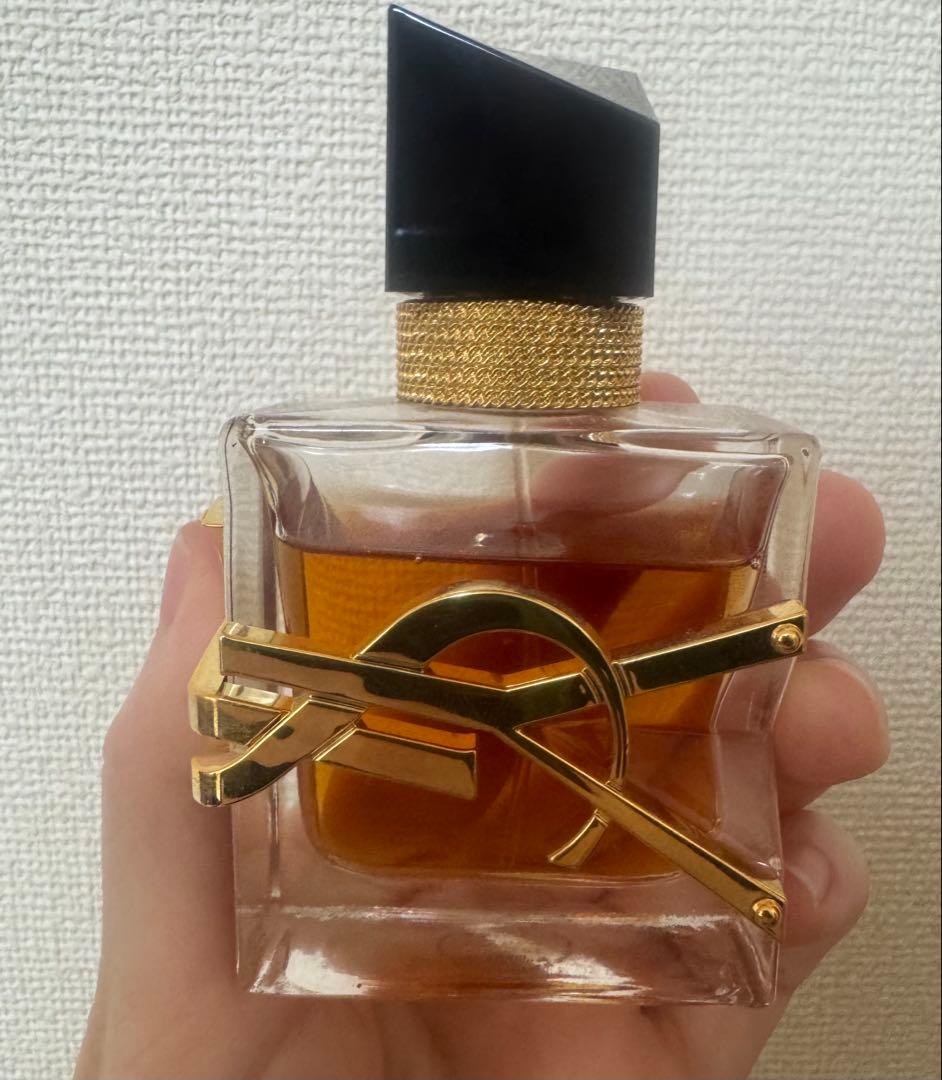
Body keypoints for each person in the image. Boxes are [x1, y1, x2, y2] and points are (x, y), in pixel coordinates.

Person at [74, 373, 888, 1080]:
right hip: (333, 940)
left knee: (800, 729)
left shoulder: (746, 464)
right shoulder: (286, 453)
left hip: (423, 904)